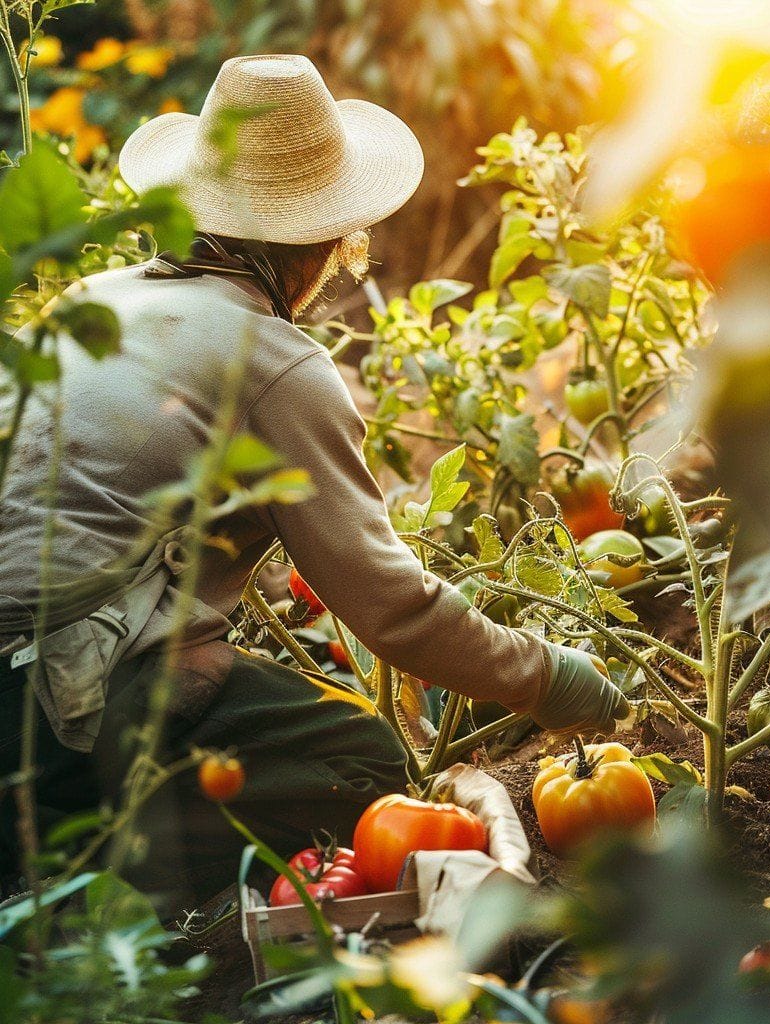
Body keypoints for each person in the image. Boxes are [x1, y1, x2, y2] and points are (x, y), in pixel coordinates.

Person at [0, 55, 627, 907]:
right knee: (363, 765)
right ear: (326, 243)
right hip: (52, 715)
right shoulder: (273, 362)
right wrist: (554, 679)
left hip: (31, 683)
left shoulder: (93, 296)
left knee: (215, 675)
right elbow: (392, 611)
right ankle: (88, 868)